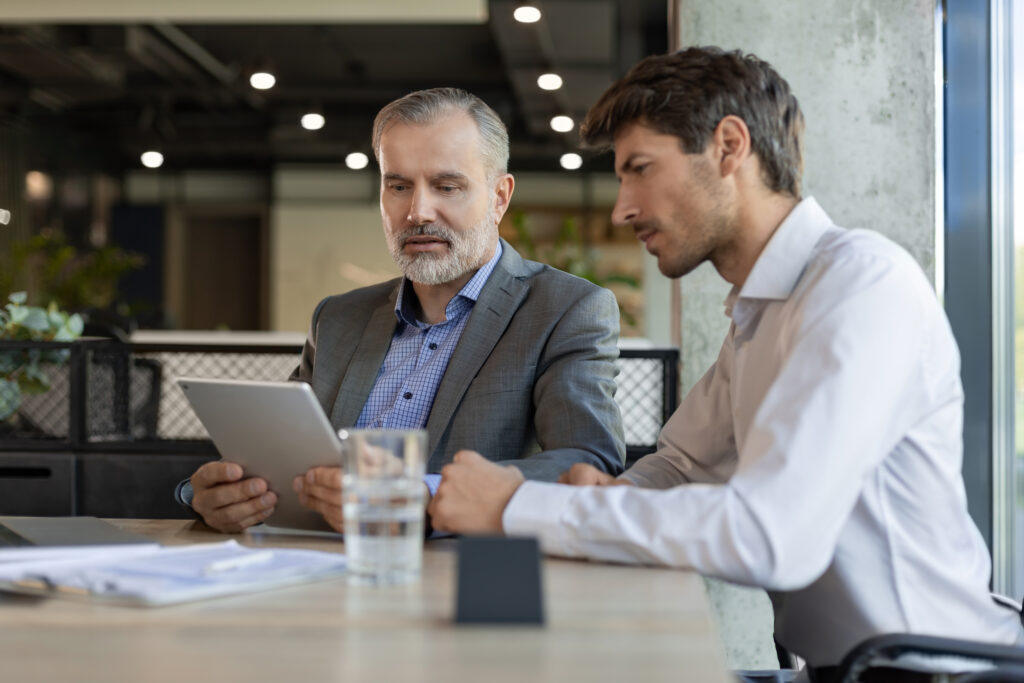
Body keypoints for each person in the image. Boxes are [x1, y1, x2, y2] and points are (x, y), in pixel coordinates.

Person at [427, 48, 1024, 675]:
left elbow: (773, 536)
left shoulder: (861, 284)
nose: (622, 208)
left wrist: (518, 506)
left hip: (942, 671)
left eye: (640, 169)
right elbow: (685, 465)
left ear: (728, 147)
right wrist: (613, 494)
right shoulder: (762, 309)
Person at [181, 88, 625, 533]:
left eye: (446, 186)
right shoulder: (338, 319)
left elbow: (587, 462)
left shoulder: (565, 310)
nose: (417, 211)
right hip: (316, 568)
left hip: (461, 577)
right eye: (398, 186)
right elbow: (275, 455)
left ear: (499, 197)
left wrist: (423, 497)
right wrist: (218, 494)